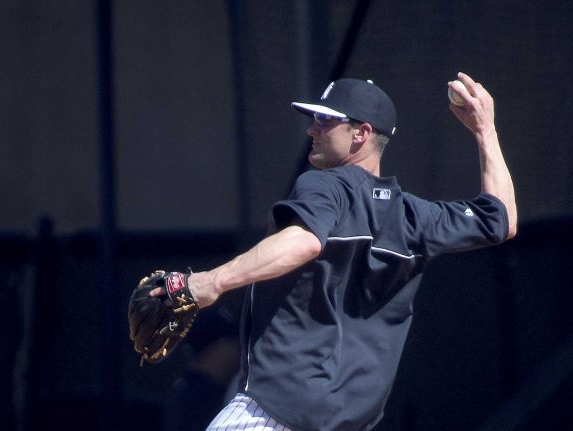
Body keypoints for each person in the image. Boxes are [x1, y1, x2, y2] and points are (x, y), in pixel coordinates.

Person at [153, 72, 517, 431]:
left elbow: (305, 241)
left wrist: (210, 282)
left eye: (326, 120)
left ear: (361, 134)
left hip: (276, 411)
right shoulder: (415, 217)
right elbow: (501, 219)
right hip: (350, 421)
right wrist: (485, 130)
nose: (313, 129)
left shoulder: (324, 185)